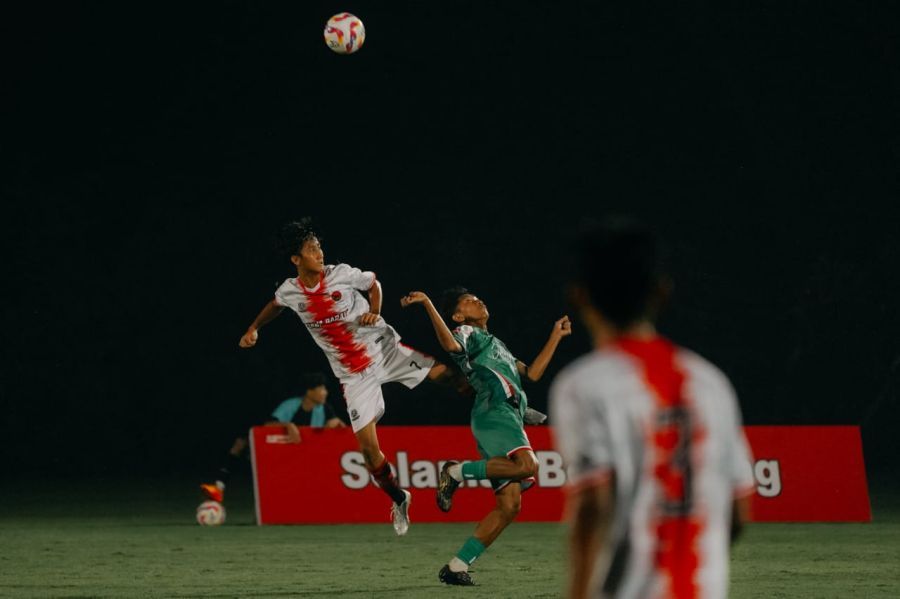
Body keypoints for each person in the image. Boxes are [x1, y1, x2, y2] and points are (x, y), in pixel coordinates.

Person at [549, 218, 755, 599]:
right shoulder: (710, 383)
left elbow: (593, 506)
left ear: (579, 296)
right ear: (662, 292)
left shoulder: (584, 385)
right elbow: (738, 511)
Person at [238, 218, 470, 536]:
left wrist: (375, 309)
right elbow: (275, 306)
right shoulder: (291, 291)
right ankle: (400, 498)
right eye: (311, 249)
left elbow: (374, 284)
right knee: (369, 452)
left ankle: (506, 398)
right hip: (353, 375)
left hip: (383, 348)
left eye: (319, 247)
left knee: (447, 376)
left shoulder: (341, 274)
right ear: (296, 259)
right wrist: (253, 328)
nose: (319, 253)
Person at [400, 287, 571, 586]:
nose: (478, 300)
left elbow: (531, 374)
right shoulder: (466, 332)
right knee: (528, 466)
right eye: (468, 301)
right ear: (458, 315)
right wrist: (428, 303)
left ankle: (456, 566)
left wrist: (555, 336)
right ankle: (455, 471)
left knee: (509, 506)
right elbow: (451, 345)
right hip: (494, 413)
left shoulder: (497, 344)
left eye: (477, 297)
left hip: (508, 416)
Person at [200, 372, 345, 503]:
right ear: (309, 392)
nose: (325, 393)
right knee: (240, 443)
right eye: (322, 389)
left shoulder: (326, 408)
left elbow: (338, 430)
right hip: (283, 452)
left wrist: (338, 424)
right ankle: (219, 487)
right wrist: (288, 425)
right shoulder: (291, 406)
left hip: (308, 456)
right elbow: (267, 425)